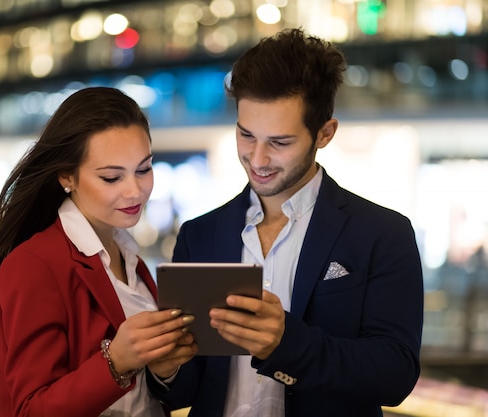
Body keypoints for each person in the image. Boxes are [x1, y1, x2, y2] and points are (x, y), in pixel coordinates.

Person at [146, 28, 424, 417]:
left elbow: (395, 375)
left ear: (324, 133)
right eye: (245, 135)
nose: (257, 159)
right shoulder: (200, 233)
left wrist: (286, 344)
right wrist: (167, 368)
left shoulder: (382, 233)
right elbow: (189, 385)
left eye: (279, 142)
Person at [0, 87, 197, 417]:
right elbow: (29, 410)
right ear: (67, 176)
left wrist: (165, 370)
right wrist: (115, 362)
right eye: (111, 177)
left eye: (144, 169)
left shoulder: (130, 259)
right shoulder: (34, 264)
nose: (135, 190)